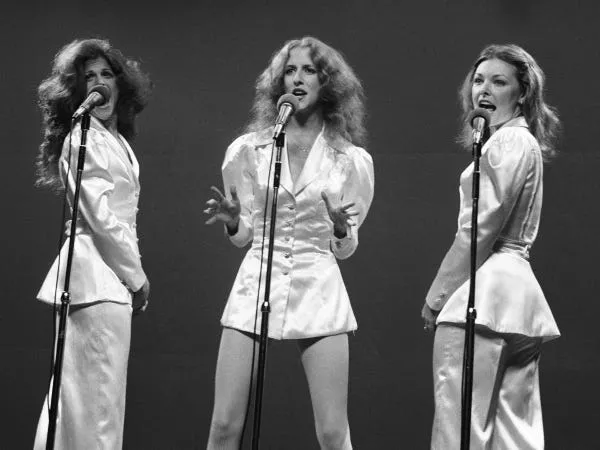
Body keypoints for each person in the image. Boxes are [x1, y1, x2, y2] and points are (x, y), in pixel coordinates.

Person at [204, 36, 374, 450]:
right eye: (290, 70)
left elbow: (346, 246)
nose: (297, 78)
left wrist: (338, 229)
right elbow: (245, 234)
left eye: (309, 70)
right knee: (225, 425)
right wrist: (232, 223)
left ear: (327, 82)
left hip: (318, 283)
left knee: (333, 432)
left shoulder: (350, 160)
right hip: (257, 279)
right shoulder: (250, 150)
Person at [421, 44, 562, 449]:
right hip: (518, 304)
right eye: (479, 80)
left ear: (522, 94)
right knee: (515, 433)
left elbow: (479, 231)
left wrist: (437, 295)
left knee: (458, 430)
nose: (483, 89)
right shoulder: (521, 143)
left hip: (482, 297)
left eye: (499, 81)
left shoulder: (507, 144)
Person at [33, 38, 152, 449]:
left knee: (83, 404)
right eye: (89, 77)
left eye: (107, 74)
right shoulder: (82, 138)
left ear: (121, 85)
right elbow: (100, 220)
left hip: (105, 282)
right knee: (95, 407)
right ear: (77, 91)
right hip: (96, 280)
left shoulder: (112, 139)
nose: (100, 84)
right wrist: (136, 276)